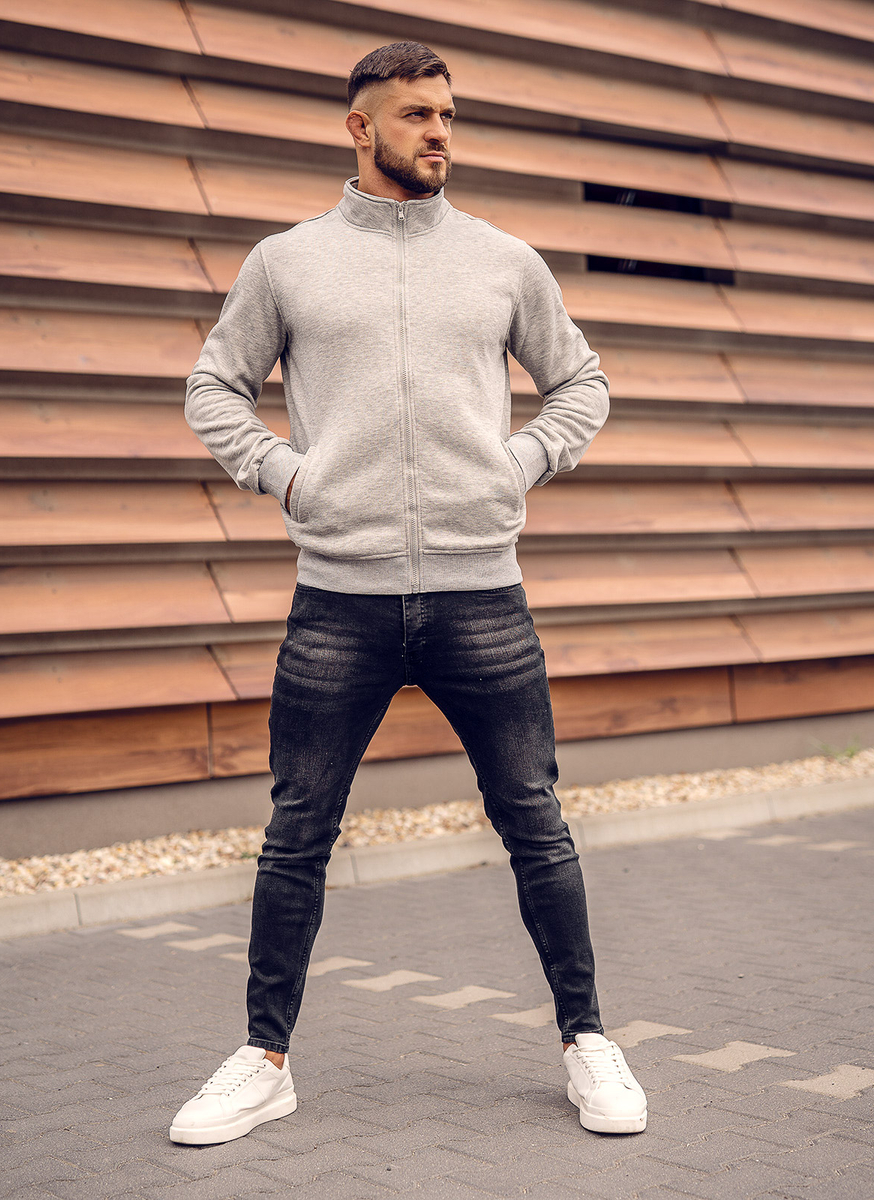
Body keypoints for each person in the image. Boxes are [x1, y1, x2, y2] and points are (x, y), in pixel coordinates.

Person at [170, 41, 647, 1145]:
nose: (439, 132)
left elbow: (581, 383)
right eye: (417, 114)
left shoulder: (503, 261)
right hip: (338, 599)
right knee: (298, 832)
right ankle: (264, 1059)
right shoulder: (287, 263)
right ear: (360, 126)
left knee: (535, 822)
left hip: (483, 595)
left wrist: (514, 465)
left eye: (447, 114)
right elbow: (214, 386)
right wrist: (287, 476)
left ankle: (587, 1041)